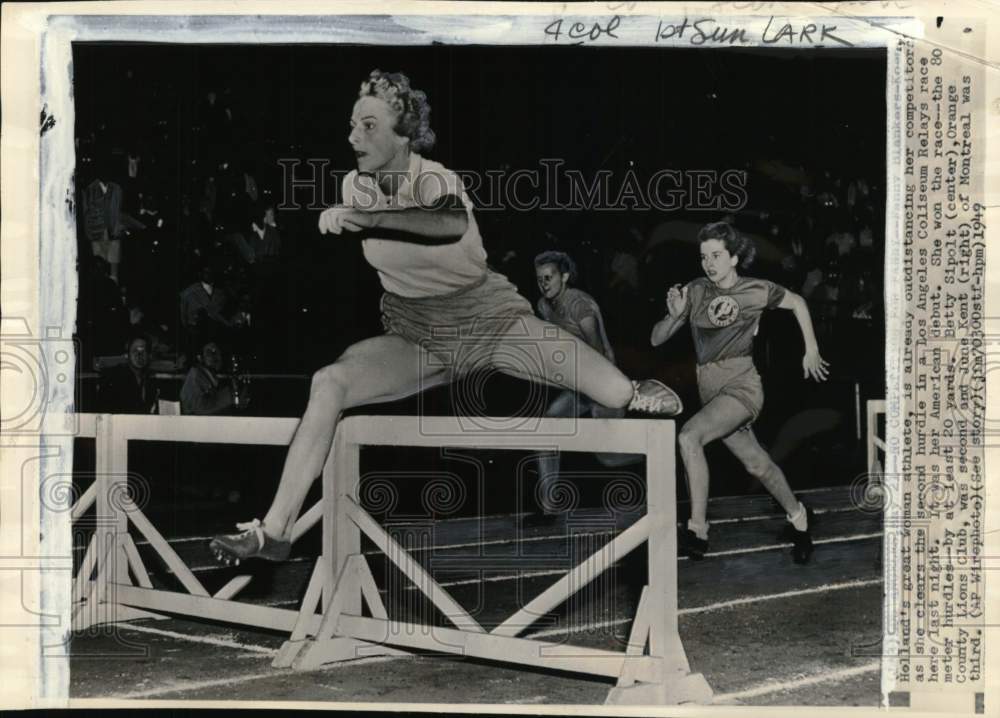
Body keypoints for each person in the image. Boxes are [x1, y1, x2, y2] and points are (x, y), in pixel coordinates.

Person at [210, 69, 683, 564]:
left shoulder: (434, 178)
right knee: (330, 382)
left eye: (369, 126)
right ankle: (276, 530)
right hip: (417, 335)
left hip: (491, 322)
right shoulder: (356, 184)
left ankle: (639, 392)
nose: (353, 137)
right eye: (352, 125)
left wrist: (370, 220)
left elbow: (447, 222)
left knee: (613, 390)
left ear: (404, 134)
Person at [650, 221, 829, 564]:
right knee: (758, 466)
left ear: (733, 258)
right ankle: (800, 518)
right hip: (712, 393)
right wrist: (674, 317)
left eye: (716, 255)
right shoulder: (697, 290)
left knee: (689, 437)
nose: (709, 263)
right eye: (704, 257)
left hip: (742, 386)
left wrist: (811, 349)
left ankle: (697, 531)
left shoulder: (756, 289)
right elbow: (656, 339)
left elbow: (798, 303)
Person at [531, 250, 640, 521]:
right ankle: (548, 509)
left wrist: (592, 390)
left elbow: (597, 350)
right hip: (579, 384)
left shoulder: (580, 305)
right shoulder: (544, 306)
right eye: (540, 278)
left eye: (549, 277)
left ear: (564, 277)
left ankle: (658, 454)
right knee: (547, 431)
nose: (544, 283)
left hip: (604, 382)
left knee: (607, 458)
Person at [180, 340, 249, 415]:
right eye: (209, 352)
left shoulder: (212, 378)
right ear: (200, 358)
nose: (215, 356)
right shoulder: (195, 376)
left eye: (217, 352)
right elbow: (199, 409)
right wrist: (230, 395)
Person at [98, 334, 159, 414]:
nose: (139, 355)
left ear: (149, 355)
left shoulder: (151, 380)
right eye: (135, 351)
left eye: (143, 351)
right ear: (127, 355)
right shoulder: (115, 378)